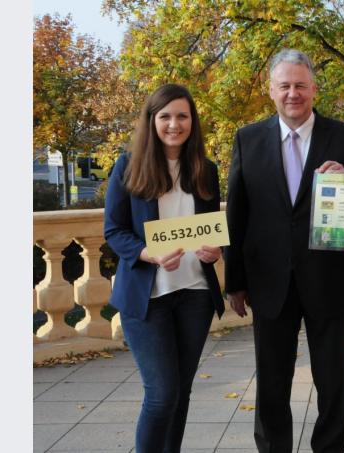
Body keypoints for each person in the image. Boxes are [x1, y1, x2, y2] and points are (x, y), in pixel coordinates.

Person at [223, 48, 344, 453]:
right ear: (271, 90)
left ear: (314, 89)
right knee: (271, 383)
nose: (293, 93)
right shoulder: (247, 138)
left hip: (331, 282)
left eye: (301, 86)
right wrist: (234, 282)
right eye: (285, 85)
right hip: (269, 283)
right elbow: (237, 215)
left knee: (334, 383)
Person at [104, 83, 225, 452]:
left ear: (193, 121)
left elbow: (210, 229)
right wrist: (148, 253)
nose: (175, 124)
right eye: (166, 116)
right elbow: (114, 231)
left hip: (195, 295)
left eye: (182, 116)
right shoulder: (128, 166)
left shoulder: (205, 169)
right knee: (161, 395)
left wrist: (215, 251)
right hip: (148, 297)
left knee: (180, 393)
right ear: (152, 120)